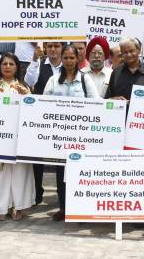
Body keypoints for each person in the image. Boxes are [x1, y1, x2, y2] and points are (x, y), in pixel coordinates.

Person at [43, 45, 98, 221]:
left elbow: (96, 103)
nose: (68, 61)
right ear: (61, 59)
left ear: (77, 59)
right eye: (65, 58)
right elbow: (43, 104)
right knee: (61, 173)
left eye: (71, 58)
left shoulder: (86, 79)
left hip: (81, 135)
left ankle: (80, 209)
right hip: (59, 136)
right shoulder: (52, 80)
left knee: (79, 173)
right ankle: (64, 208)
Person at [0, 53, 35, 221]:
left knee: (20, 172)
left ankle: (18, 207)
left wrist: (26, 97)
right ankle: (1, 208)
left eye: (11, 64)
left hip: (19, 138)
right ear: (0, 67)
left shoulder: (23, 87)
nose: (7, 66)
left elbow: (32, 112)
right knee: (0, 173)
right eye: (4, 63)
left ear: (17, 67)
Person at [23, 41, 63, 204]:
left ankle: (62, 196)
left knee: (61, 160)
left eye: (56, 46)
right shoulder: (38, 64)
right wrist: (34, 60)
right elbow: (29, 81)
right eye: (50, 46)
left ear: (62, 48)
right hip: (41, 118)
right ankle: (37, 192)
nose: (53, 49)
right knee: (37, 159)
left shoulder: (68, 65)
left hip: (62, 119)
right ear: (45, 48)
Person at [105, 37, 144, 102]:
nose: (128, 55)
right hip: (120, 111)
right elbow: (107, 99)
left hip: (142, 112)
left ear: (139, 50)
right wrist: (113, 99)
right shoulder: (116, 73)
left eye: (131, 51)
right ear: (122, 54)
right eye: (125, 52)